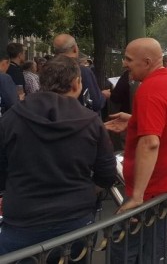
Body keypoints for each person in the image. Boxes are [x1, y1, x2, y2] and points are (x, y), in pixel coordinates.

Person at [0, 55, 116, 255]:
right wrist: (87, 190)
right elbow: (106, 173)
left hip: (22, 217)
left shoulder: (12, 117)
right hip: (75, 218)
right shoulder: (90, 121)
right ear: (76, 83)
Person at [105, 37, 167, 263]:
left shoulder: (150, 90)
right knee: (153, 250)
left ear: (146, 62)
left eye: (128, 59)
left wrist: (137, 196)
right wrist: (136, 121)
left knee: (126, 249)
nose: (124, 64)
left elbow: (150, 143)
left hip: (152, 193)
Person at [53, 34, 106, 113]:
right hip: (81, 120)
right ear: (75, 49)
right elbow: (95, 103)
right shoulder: (82, 71)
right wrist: (103, 95)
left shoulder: (48, 71)